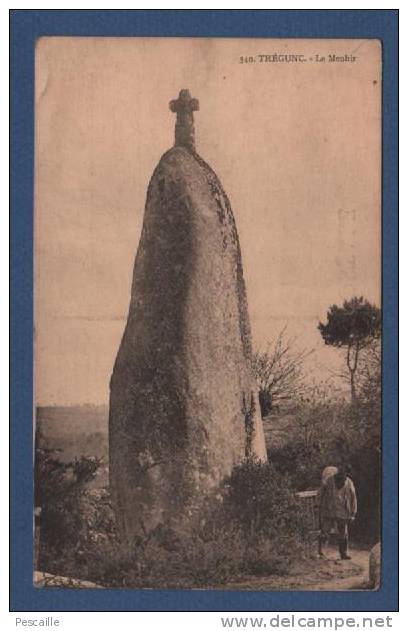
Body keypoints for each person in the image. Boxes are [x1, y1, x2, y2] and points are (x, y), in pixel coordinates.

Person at [318, 465, 357, 560]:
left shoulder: (349, 483)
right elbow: (321, 493)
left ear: (346, 476)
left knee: (343, 533)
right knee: (325, 531)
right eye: (339, 475)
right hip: (329, 510)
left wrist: (353, 514)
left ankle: (343, 553)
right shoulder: (329, 481)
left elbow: (353, 498)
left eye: (343, 476)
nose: (341, 478)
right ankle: (321, 552)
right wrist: (318, 504)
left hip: (343, 511)